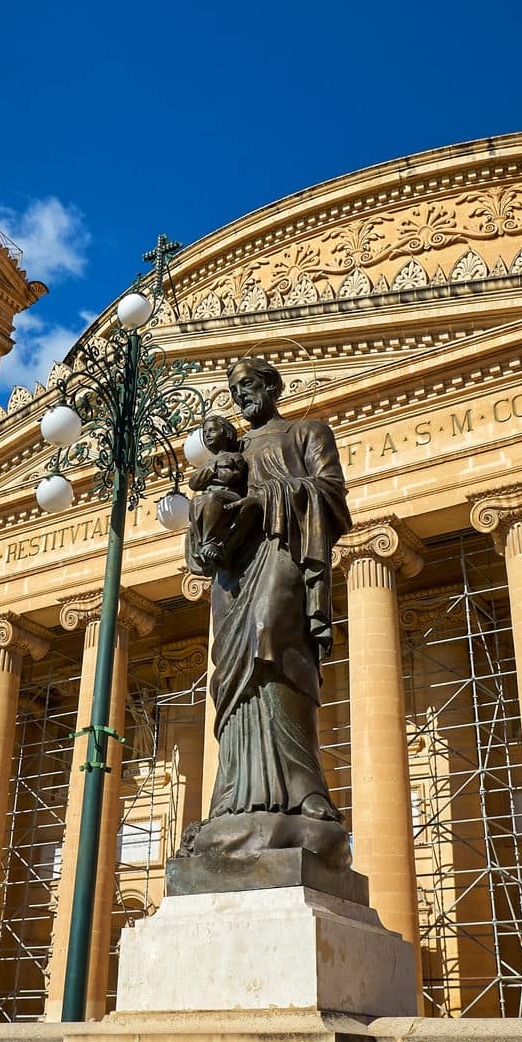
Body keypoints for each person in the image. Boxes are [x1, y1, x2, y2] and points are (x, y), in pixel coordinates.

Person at [182, 356, 352, 866]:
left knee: (274, 648)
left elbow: (331, 496)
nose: (241, 397)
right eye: (234, 390)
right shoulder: (228, 449)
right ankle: (233, 798)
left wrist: (265, 500)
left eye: (250, 385)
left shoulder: (306, 433)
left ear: (273, 386)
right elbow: (200, 527)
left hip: (281, 554)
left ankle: (304, 792)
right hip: (233, 576)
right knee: (233, 679)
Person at [187, 415, 252, 573]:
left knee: (212, 497)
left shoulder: (234, 456)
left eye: (212, 431)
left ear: (226, 434)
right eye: (205, 432)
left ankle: (211, 541)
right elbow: (194, 483)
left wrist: (211, 473)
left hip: (229, 498)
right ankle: (202, 543)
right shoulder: (210, 462)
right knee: (195, 502)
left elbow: (230, 476)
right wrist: (216, 466)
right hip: (213, 499)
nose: (207, 435)